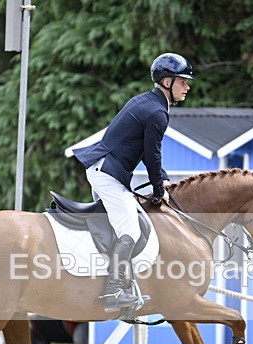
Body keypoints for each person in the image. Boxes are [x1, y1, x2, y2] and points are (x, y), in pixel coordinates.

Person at [72, 52, 194, 313]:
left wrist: (161, 178)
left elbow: (150, 154)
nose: (187, 87)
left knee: (125, 225)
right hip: (107, 173)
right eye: (183, 81)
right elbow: (152, 156)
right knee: (131, 230)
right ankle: (113, 290)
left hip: (105, 170)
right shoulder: (157, 113)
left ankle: (122, 283)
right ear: (167, 81)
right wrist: (160, 190)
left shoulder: (146, 102)